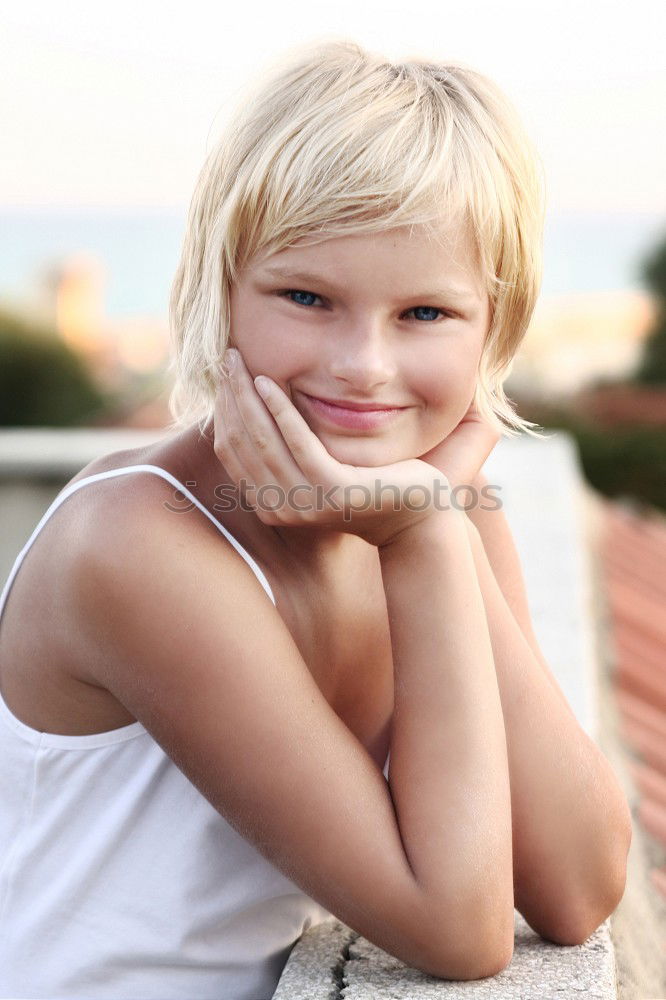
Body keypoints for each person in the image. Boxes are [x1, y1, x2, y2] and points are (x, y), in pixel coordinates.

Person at [0, 38, 632, 1000]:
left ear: (495, 325)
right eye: (307, 297)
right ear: (222, 293)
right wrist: (426, 534)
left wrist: (432, 526)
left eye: (425, 313)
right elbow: (456, 928)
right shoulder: (137, 548)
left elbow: (577, 887)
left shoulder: (425, 502)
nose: (362, 366)